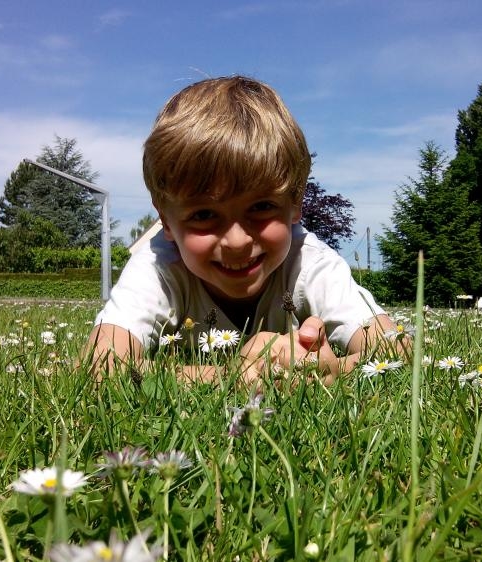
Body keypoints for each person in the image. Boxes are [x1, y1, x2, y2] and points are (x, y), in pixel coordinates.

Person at [82, 76, 402, 383]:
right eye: (204, 214)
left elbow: (398, 351)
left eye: (261, 207)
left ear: (295, 202)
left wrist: (330, 370)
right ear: (166, 220)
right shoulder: (158, 267)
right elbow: (99, 366)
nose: (237, 241)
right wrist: (234, 376)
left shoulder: (310, 263)